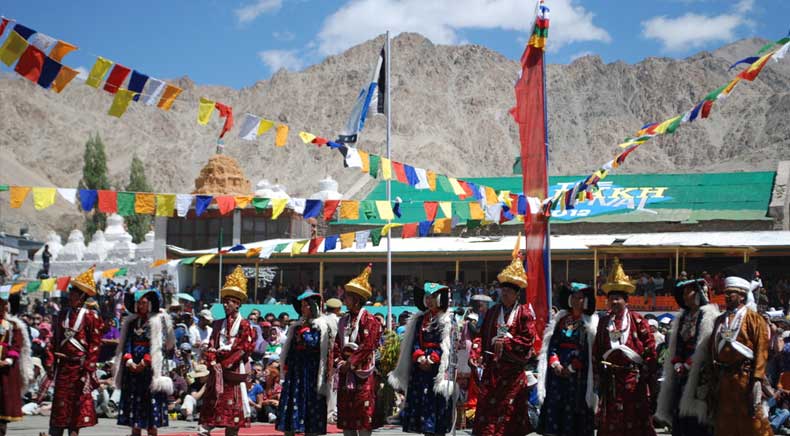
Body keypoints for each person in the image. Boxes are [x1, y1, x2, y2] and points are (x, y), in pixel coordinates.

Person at [473, 236, 538, 436]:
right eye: (503, 290)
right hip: (493, 372)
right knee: (489, 417)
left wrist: (506, 342)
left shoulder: (525, 313)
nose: (505, 294)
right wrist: (477, 352)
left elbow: (528, 342)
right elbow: (482, 336)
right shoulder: (492, 312)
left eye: (509, 292)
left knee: (510, 417)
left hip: (513, 374)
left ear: (517, 294)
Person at [593, 258, 657, 436]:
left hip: (633, 379)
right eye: (611, 299)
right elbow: (597, 349)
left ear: (626, 300)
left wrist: (646, 372)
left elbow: (650, 348)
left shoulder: (637, 320)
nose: (614, 302)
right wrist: (598, 373)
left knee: (635, 421)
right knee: (611, 422)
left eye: (618, 299)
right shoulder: (604, 322)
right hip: (611, 380)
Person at [389, 282, 457, 436]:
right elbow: (413, 342)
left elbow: (447, 346)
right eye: (427, 297)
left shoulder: (448, 321)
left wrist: (433, 358)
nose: (429, 301)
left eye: (433, 297)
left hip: (437, 369)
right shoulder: (419, 319)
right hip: (420, 369)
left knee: (435, 407)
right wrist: (419, 356)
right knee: (422, 409)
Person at [710, 271, 772, 436]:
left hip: (746, 377)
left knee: (752, 420)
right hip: (724, 378)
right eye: (726, 293)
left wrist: (758, 378)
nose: (727, 296)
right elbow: (713, 349)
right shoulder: (720, 320)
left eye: (732, 293)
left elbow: (762, 348)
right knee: (725, 420)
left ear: (742, 296)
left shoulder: (754, 319)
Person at [656, 278, 719, 436]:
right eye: (683, 293)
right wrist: (677, 363)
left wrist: (689, 365)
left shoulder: (709, 317)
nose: (684, 296)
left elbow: (705, 347)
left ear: (698, 293)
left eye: (688, 292)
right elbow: (676, 345)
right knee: (679, 416)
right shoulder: (683, 317)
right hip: (680, 374)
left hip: (700, 374)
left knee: (696, 420)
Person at [45, 266, 104, 436]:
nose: (70, 296)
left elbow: (95, 344)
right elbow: (53, 340)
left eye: (74, 293)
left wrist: (88, 367)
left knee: (75, 413)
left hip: (79, 369)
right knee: (60, 410)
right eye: (70, 292)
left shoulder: (91, 316)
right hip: (63, 368)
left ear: (82, 297)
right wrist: (50, 360)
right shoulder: (62, 315)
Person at [199, 266, 257, 436]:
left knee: (233, 419)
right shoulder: (217, 324)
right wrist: (212, 359)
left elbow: (244, 348)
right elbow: (211, 344)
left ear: (237, 304)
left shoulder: (245, 325)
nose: (225, 304)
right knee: (210, 413)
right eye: (224, 301)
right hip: (218, 372)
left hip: (234, 372)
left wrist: (223, 360)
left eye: (229, 301)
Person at [537, 283, 598, 436]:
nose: (577, 301)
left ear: (585, 301)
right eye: (575, 297)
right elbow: (552, 345)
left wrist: (571, 368)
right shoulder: (561, 320)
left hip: (578, 375)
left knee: (576, 407)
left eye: (581, 298)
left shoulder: (590, 322)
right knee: (556, 406)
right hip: (557, 374)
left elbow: (587, 351)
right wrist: (555, 364)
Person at [113, 289, 176, 436]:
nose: (141, 306)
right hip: (132, 370)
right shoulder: (131, 321)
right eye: (139, 303)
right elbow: (127, 341)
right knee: (135, 413)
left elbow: (159, 345)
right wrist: (128, 360)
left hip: (150, 370)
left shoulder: (157, 321)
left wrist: (145, 362)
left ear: (150, 303)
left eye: (144, 303)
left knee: (150, 416)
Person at [276, 289, 335, 436]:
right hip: (296, 372)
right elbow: (290, 349)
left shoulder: (321, 326)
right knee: (292, 402)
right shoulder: (296, 326)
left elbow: (314, 344)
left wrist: (305, 332)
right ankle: (290, 429)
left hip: (312, 372)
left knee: (311, 404)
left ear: (313, 306)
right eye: (301, 305)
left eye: (305, 305)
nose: (302, 308)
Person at [334, 265, 383, 436]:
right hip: (345, 374)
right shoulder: (343, 321)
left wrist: (351, 363)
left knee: (363, 415)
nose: (343, 299)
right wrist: (340, 363)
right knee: (347, 417)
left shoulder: (370, 320)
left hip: (362, 375)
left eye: (347, 297)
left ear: (357, 299)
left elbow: (368, 346)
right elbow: (336, 346)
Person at [0, 287, 33, 436]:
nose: (4, 306)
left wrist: (8, 360)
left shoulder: (13, 326)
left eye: (5, 304)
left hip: (6, 370)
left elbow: (17, 346)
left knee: (3, 405)